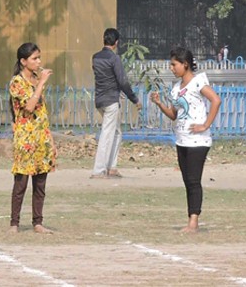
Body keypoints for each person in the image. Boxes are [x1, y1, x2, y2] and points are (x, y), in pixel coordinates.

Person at [150, 47, 221, 233]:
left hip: (198, 141)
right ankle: (191, 218)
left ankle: (193, 222)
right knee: (187, 181)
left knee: (193, 180)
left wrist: (205, 125)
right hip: (182, 140)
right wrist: (159, 104)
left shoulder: (198, 82)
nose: (171, 68)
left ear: (185, 64)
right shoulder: (176, 89)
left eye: (174, 64)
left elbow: (216, 100)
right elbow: (174, 115)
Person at [8, 42, 57, 234]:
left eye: (39, 58)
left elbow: (42, 113)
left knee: (40, 182)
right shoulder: (17, 82)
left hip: (41, 138)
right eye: (34, 58)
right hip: (25, 138)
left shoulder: (37, 80)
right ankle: (14, 223)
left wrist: (51, 142)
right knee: (21, 183)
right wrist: (41, 83)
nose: (38, 62)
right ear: (23, 61)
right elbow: (28, 107)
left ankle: (38, 222)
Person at [91, 28, 141, 179]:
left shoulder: (95, 58)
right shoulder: (114, 59)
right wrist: (134, 99)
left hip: (100, 99)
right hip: (111, 101)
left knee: (117, 132)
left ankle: (112, 167)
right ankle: (99, 170)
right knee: (107, 134)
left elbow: (106, 78)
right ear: (116, 43)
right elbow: (122, 81)